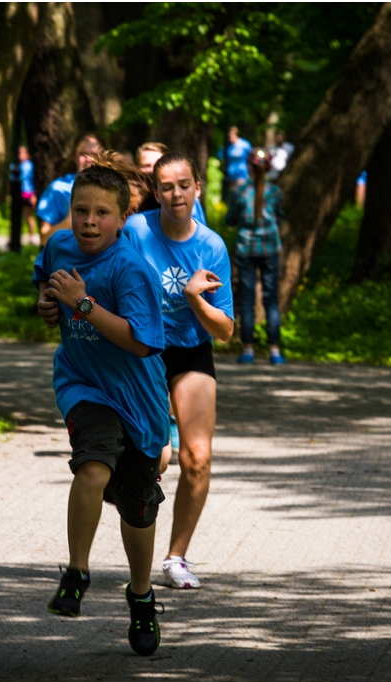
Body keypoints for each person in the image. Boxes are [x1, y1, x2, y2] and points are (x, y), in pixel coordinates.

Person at [34, 163, 168, 657]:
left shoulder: (131, 270)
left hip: (139, 400)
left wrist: (82, 304)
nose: (89, 222)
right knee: (91, 465)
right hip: (83, 383)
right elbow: (44, 286)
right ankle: (76, 572)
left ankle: (140, 596)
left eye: (101, 214)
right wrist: (48, 304)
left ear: (122, 217)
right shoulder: (59, 247)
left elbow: (139, 344)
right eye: (81, 211)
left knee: (138, 510)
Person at [123, 152, 234, 590]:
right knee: (156, 458)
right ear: (156, 191)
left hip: (190, 353)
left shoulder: (211, 246)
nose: (176, 194)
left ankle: (176, 558)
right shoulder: (136, 231)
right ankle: (138, 545)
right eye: (166, 186)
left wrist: (194, 299)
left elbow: (225, 330)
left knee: (197, 458)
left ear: (197, 189)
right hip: (144, 351)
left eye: (184, 185)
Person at [226, 148, 285, 365]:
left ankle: (248, 349)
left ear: (249, 167)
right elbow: (280, 217)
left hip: (246, 249)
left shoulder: (239, 192)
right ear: (268, 168)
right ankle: (275, 350)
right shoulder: (276, 192)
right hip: (270, 249)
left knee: (247, 299)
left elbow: (230, 219)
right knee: (271, 299)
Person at [37, 133, 102, 246]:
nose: (89, 159)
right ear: (75, 157)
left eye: (94, 154)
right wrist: (69, 221)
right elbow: (44, 238)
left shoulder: (115, 188)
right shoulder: (58, 188)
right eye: (83, 154)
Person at [136, 141, 206, 223]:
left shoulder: (190, 201)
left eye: (157, 164)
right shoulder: (132, 197)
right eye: (147, 165)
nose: (152, 170)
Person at [217, 126, 252, 191]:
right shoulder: (227, 146)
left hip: (242, 174)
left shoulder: (245, 145)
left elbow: (251, 158)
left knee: (241, 192)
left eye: (232, 135)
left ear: (236, 134)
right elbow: (220, 156)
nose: (230, 137)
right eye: (229, 135)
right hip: (230, 175)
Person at [18, 145, 38, 244]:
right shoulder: (16, 165)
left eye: (21, 153)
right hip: (18, 192)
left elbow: (33, 180)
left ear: (27, 154)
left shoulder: (30, 165)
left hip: (29, 193)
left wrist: (34, 194)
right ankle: (17, 237)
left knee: (29, 216)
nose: (19, 155)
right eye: (18, 153)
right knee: (18, 216)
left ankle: (31, 236)